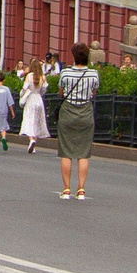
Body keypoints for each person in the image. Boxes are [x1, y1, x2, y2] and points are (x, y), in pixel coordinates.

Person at [54, 43, 100, 199]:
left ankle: (66, 189)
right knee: (83, 153)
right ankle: (81, 189)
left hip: (68, 112)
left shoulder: (65, 73)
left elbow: (61, 93)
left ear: (74, 57)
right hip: (85, 112)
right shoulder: (93, 74)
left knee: (66, 152)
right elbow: (94, 92)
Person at [19, 62, 50, 154]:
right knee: (36, 121)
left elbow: (25, 88)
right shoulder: (43, 77)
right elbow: (44, 89)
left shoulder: (29, 76)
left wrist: (22, 94)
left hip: (31, 98)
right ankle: (34, 144)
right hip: (38, 99)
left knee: (28, 120)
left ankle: (31, 139)